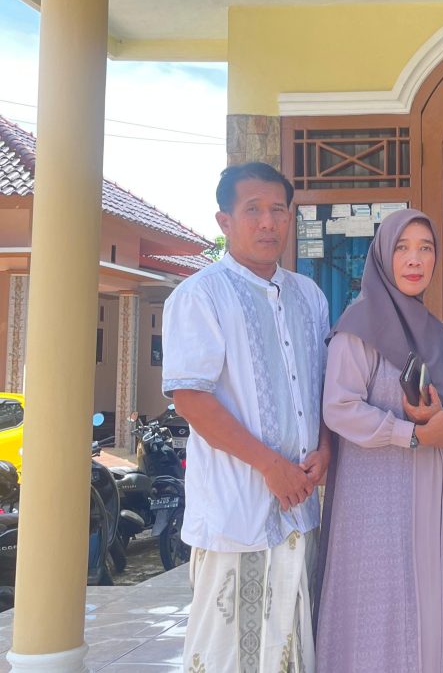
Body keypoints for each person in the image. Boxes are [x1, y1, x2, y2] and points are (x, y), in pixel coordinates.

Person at [162, 162, 330, 672]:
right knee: (231, 652)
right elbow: (191, 398)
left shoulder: (309, 296)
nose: (267, 222)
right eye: (253, 210)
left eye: (278, 210)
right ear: (224, 220)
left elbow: (322, 387)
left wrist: (325, 448)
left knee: (292, 646)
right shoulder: (201, 295)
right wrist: (270, 465)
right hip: (237, 509)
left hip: (300, 507)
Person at [316, 209, 443, 673]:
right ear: (382, 256)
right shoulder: (359, 327)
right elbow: (339, 407)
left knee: (432, 597)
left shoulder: (437, 333)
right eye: (402, 248)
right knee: (378, 607)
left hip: (432, 486)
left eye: (426, 248)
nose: (415, 260)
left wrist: (438, 420)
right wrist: (412, 434)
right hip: (374, 495)